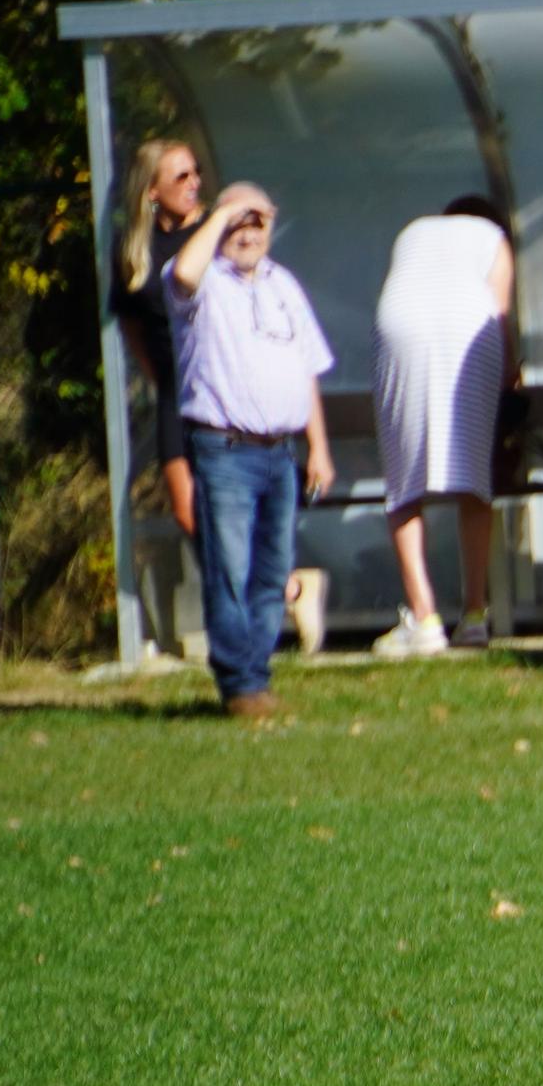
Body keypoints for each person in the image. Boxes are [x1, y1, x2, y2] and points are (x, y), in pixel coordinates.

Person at [163, 181, 335, 718]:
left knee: (272, 570)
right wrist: (225, 213)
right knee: (230, 569)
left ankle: (255, 673)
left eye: (257, 220)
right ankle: (240, 684)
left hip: (279, 452)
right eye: (237, 220)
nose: (246, 231)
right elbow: (184, 272)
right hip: (224, 449)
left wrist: (319, 447)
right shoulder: (202, 280)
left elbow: (305, 368)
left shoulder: (284, 285)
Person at [370, 195, 514, 656]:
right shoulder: (493, 239)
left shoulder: (415, 232)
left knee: (403, 480)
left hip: (401, 325)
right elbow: (501, 315)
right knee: (474, 478)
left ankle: (424, 616)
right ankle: (474, 615)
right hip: (470, 324)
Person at [114, 139, 210, 634]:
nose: (194, 184)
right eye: (181, 177)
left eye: (195, 174)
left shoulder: (213, 234)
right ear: (152, 191)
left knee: (230, 498)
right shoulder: (135, 248)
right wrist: (155, 376)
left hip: (220, 387)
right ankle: (279, 588)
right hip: (176, 388)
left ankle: (264, 592)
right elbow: (130, 320)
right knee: (185, 505)